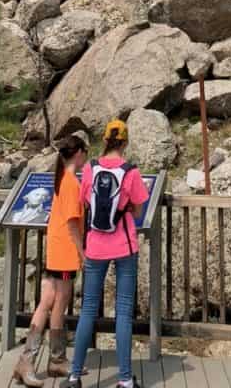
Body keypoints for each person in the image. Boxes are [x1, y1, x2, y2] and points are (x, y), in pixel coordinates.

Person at [62, 119, 149, 388]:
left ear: (105, 140)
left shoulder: (89, 168)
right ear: (124, 142)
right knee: (123, 311)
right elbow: (137, 211)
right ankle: (124, 380)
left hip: (95, 246)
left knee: (87, 309)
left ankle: (75, 375)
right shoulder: (131, 172)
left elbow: (84, 202)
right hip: (124, 245)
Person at [13, 135, 88, 387]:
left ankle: (47, 360)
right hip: (66, 252)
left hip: (56, 249)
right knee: (56, 302)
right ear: (78, 153)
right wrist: (82, 252)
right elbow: (72, 224)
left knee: (50, 301)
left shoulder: (62, 180)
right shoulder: (70, 183)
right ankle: (39, 359)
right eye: (85, 152)